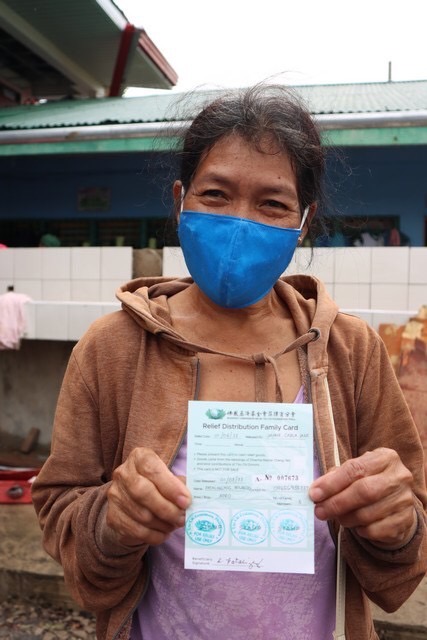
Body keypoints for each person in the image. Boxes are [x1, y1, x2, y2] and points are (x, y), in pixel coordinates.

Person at [32, 84, 427, 640]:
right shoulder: (112, 349)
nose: (241, 224)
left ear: (303, 221)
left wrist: (397, 523)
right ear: (179, 201)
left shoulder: (350, 350)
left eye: (272, 203)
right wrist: (111, 521)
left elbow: (411, 529)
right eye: (215, 194)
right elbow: (60, 508)